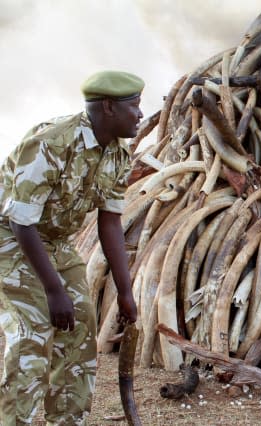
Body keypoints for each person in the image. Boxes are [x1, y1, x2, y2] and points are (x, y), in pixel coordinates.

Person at [0, 70, 142, 425]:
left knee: (81, 326)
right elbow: (21, 221)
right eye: (134, 106)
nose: (140, 114)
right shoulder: (51, 142)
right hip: (12, 241)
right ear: (108, 107)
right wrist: (53, 290)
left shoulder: (117, 156)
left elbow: (109, 222)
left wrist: (125, 291)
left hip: (56, 243)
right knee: (33, 333)